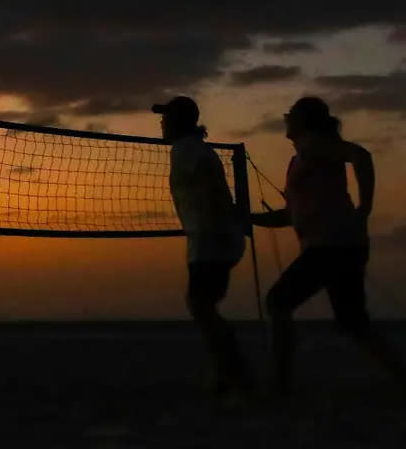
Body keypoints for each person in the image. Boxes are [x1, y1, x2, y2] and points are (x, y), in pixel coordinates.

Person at [252, 96, 405, 395]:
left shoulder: (314, 143)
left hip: (332, 245)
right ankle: (400, 376)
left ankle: (280, 384)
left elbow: (361, 155)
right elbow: (290, 216)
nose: (285, 118)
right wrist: (250, 218)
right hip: (341, 244)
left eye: (290, 114)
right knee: (352, 322)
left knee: (278, 302)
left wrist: (366, 206)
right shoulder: (300, 158)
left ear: (303, 122)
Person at [152, 96, 251, 397]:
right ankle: (225, 374)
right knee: (202, 306)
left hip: (212, 238)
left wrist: (217, 229)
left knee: (201, 306)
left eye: (166, 117)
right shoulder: (190, 149)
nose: (161, 122)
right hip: (211, 237)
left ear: (178, 122)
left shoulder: (187, 150)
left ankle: (236, 375)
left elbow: (211, 188)